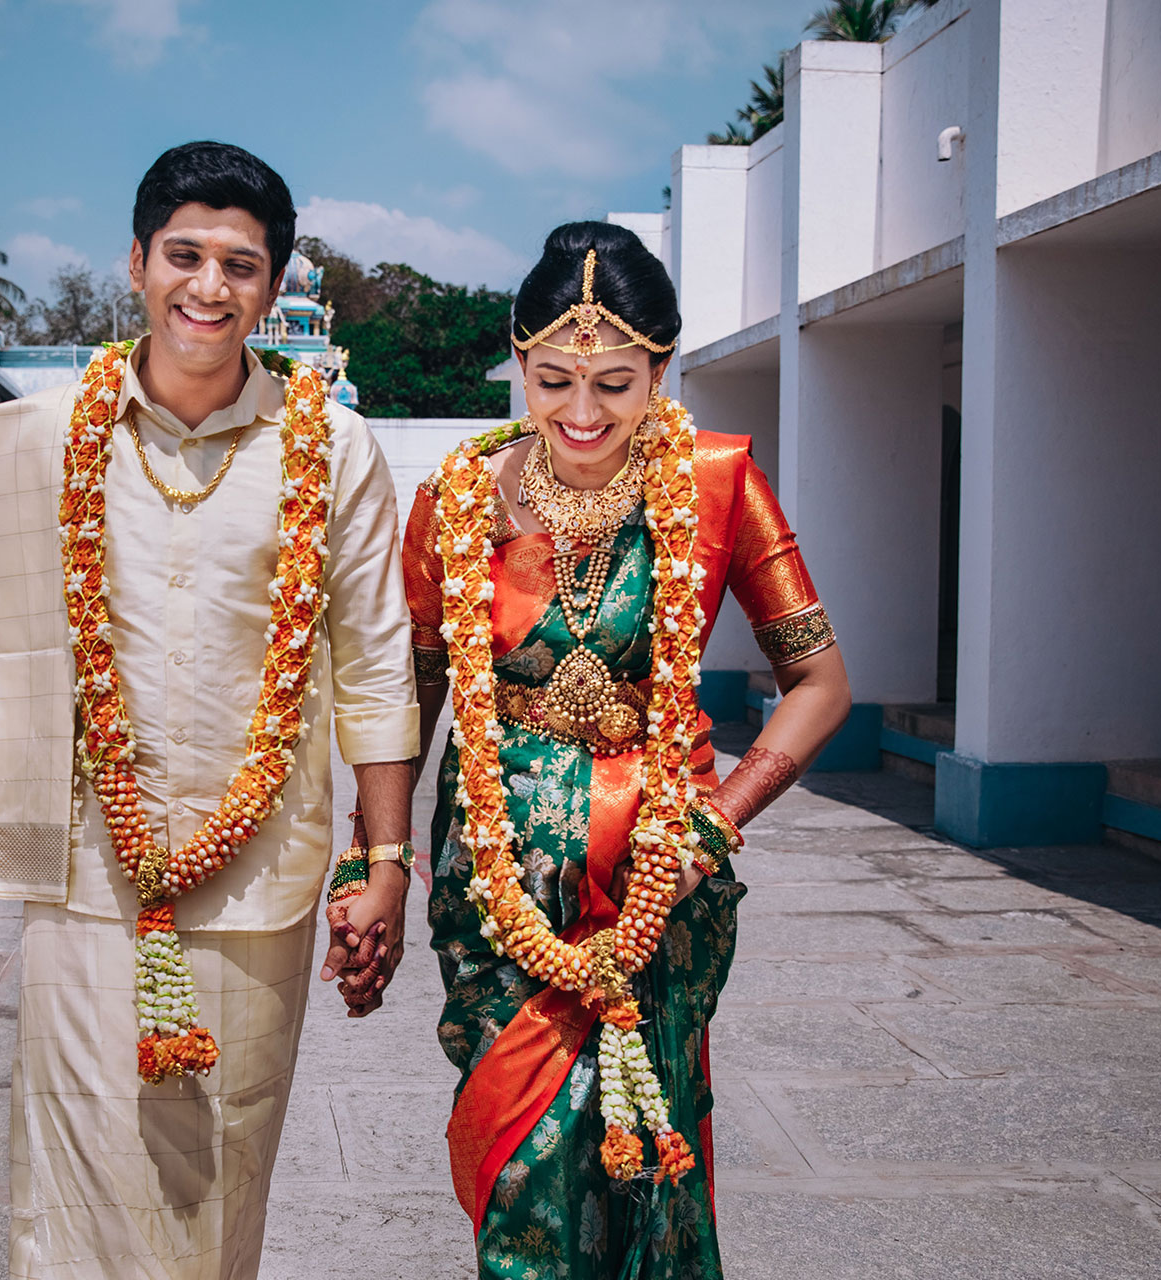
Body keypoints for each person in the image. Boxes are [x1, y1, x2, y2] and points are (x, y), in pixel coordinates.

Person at [0, 141, 420, 1280]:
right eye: (183, 255)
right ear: (136, 262)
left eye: (240, 264)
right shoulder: (45, 438)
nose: (208, 287)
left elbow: (378, 658)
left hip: (258, 880)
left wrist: (384, 855)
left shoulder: (331, 449)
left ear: (275, 285)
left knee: (214, 1182)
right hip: (86, 867)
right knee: (74, 1170)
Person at [396, 222, 851, 1278]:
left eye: (616, 381)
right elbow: (410, 701)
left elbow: (820, 684)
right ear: (518, 360)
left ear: (663, 366)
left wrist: (714, 822)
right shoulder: (458, 500)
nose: (584, 412)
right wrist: (370, 859)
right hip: (500, 890)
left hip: (659, 884)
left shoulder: (718, 485)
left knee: (651, 1164)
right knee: (524, 1180)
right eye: (554, 380)